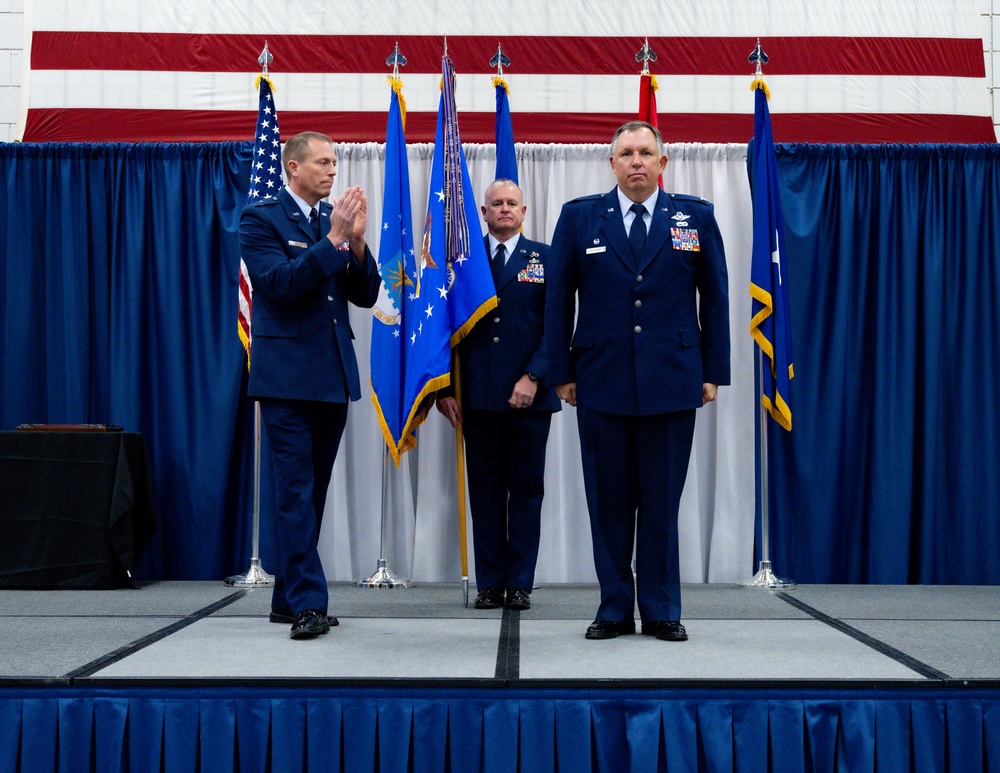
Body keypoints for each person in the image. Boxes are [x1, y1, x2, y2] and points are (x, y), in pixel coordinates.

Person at [544, 121, 730, 641]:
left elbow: (715, 297)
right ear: (612, 164)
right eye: (626, 153)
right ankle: (614, 608)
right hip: (599, 379)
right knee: (608, 502)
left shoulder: (694, 216)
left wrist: (713, 371)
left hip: (674, 380)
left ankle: (662, 607)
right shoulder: (581, 218)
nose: (636, 162)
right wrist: (560, 372)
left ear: (663, 162)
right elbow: (558, 300)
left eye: (646, 152)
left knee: (661, 500)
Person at [239, 131, 380, 640]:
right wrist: (336, 240)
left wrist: (357, 243)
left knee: (311, 494)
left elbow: (363, 296)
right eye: (322, 162)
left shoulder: (332, 223)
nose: (333, 171)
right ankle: (308, 604)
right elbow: (279, 286)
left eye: (335, 162)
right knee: (294, 492)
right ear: (293, 168)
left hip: (331, 379)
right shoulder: (261, 218)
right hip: (286, 382)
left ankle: (285, 598)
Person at [436, 179, 560, 611]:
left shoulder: (546, 258)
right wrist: (446, 389)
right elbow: (447, 330)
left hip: (532, 396)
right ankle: (490, 583)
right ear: (483, 214)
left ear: (524, 212)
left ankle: (520, 582)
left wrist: (534, 377)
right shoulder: (464, 263)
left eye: (512, 203)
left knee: (526, 492)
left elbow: (557, 325)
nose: (504, 209)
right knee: (485, 491)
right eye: (496, 204)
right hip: (478, 397)